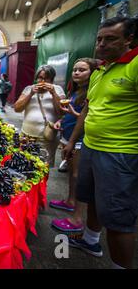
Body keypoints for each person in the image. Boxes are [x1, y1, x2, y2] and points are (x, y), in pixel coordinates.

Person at [62, 16, 138, 269]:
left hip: (121, 153)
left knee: (118, 218)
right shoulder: (101, 70)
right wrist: (73, 141)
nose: (102, 44)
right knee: (93, 198)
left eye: (111, 39)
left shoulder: (135, 65)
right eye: (99, 39)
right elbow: (87, 110)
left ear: (129, 39)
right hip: (92, 147)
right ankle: (91, 240)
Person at [49, 58, 99, 233]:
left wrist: (73, 113)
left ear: (92, 72)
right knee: (72, 173)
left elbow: (89, 118)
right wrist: (62, 120)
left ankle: (77, 219)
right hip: (68, 135)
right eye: (75, 69)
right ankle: (70, 201)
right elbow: (71, 114)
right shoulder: (76, 91)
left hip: (79, 139)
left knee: (78, 175)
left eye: (82, 70)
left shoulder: (92, 92)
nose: (77, 72)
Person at [13, 65, 65, 167]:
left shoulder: (58, 89)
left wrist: (53, 93)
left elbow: (61, 111)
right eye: (40, 78)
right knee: (24, 164)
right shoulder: (29, 89)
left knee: (43, 166)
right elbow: (17, 108)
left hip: (46, 137)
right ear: (36, 78)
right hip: (26, 136)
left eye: (47, 78)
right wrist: (31, 93)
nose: (43, 81)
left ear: (52, 79)